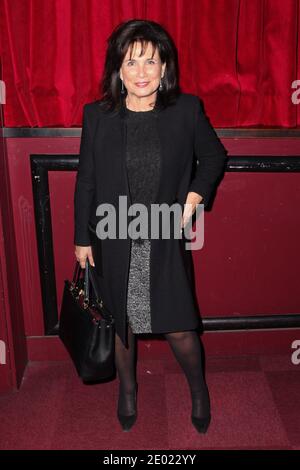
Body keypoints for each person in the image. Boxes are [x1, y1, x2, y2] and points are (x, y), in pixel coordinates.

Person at [74, 19, 228, 433]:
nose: (141, 72)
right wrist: (80, 238)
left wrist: (191, 203)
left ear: (164, 69)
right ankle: (127, 392)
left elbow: (213, 158)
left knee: (179, 326)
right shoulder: (98, 116)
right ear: (118, 71)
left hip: (161, 236)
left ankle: (198, 389)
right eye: (131, 63)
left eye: (150, 61)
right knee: (124, 326)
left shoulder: (186, 110)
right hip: (113, 236)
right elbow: (86, 179)